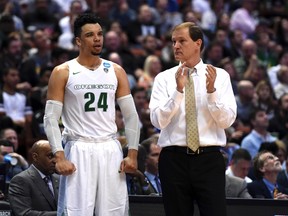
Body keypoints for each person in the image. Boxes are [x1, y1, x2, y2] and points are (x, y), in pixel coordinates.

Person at [43, 13, 140, 216]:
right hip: (78, 147)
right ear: (78, 40)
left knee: (114, 211)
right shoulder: (63, 71)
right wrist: (59, 156)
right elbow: (51, 118)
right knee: (75, 211)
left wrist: (132, 154)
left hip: (110, 147)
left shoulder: (116, 70)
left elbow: (131, 115)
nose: (97, 39)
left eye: (99, 34)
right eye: (90, 35)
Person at [149, 22, 237, 216]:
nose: (176, 46)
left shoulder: (220, 77)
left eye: (182, 41)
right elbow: (157, 121)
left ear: (198, 43)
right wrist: (178, 91)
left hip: (209, 158)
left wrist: (211, 92)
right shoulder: (164, 78)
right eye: (173, 42)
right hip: (173, 160)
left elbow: (227, 121)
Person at [8, 140, 59, 215]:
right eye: (50, 156)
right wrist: (62, 214)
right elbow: (24, 213)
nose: (55, 161)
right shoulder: (21, 180)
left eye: (56, 156)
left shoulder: (59, 178)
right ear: (35, 157)